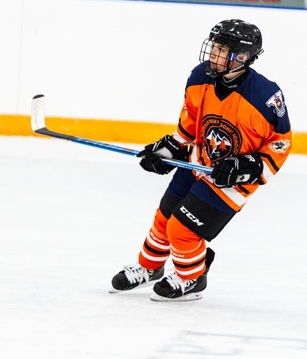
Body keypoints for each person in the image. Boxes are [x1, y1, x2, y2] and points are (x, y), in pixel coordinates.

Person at [109, 19, 292, 301]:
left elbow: (281, 143)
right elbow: (190, 122)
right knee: (165, 218)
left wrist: (247, 168)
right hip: (198, 162)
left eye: (221, 50)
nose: (213, 55)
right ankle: (150, 268)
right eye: (214, 47)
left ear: (242, 57)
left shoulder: (265, 96)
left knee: (181, 230)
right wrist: (169, 150)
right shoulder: (199, 77)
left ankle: (192, 277)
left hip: (231, 182)